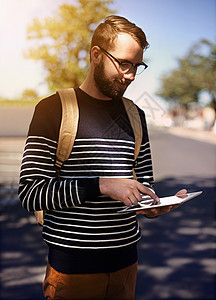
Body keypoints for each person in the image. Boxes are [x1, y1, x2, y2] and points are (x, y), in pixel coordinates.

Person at [19, 15, 186, 300]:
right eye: (123, 64)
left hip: (126, 266)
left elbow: (143, 183)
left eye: (137, 66)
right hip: (72, 272)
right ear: (96, 55)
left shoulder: (136, 115)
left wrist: (152, 204)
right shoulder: (53, 109)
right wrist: (101, 184)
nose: (131, 75)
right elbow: (31, 193)